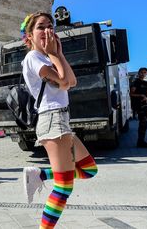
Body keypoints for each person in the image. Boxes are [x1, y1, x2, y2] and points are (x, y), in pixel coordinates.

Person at [20, 12, 98, 228]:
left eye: (50, 26)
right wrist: (54, 55)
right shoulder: (33, 58)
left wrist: (58, 54)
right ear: (29, 36)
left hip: (61, 118)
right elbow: (64, 83)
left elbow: (71, 81)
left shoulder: (48, 57)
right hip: (52, 118)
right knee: (64, 187)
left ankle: (40, 174)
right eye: (41, 27)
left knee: (89, 169)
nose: (47, 31)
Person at [130, 67, 147, 147]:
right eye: (141, 72)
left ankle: (141, 141)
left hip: (145, 105)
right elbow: (131, 94)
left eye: (144, 72)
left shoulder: (146, 83)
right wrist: (141, 95)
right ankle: (140, 142)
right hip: (139, 105)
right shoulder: (135, 83)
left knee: (145, 123)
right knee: (143, 122)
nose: (143, 74)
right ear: (138, 73)